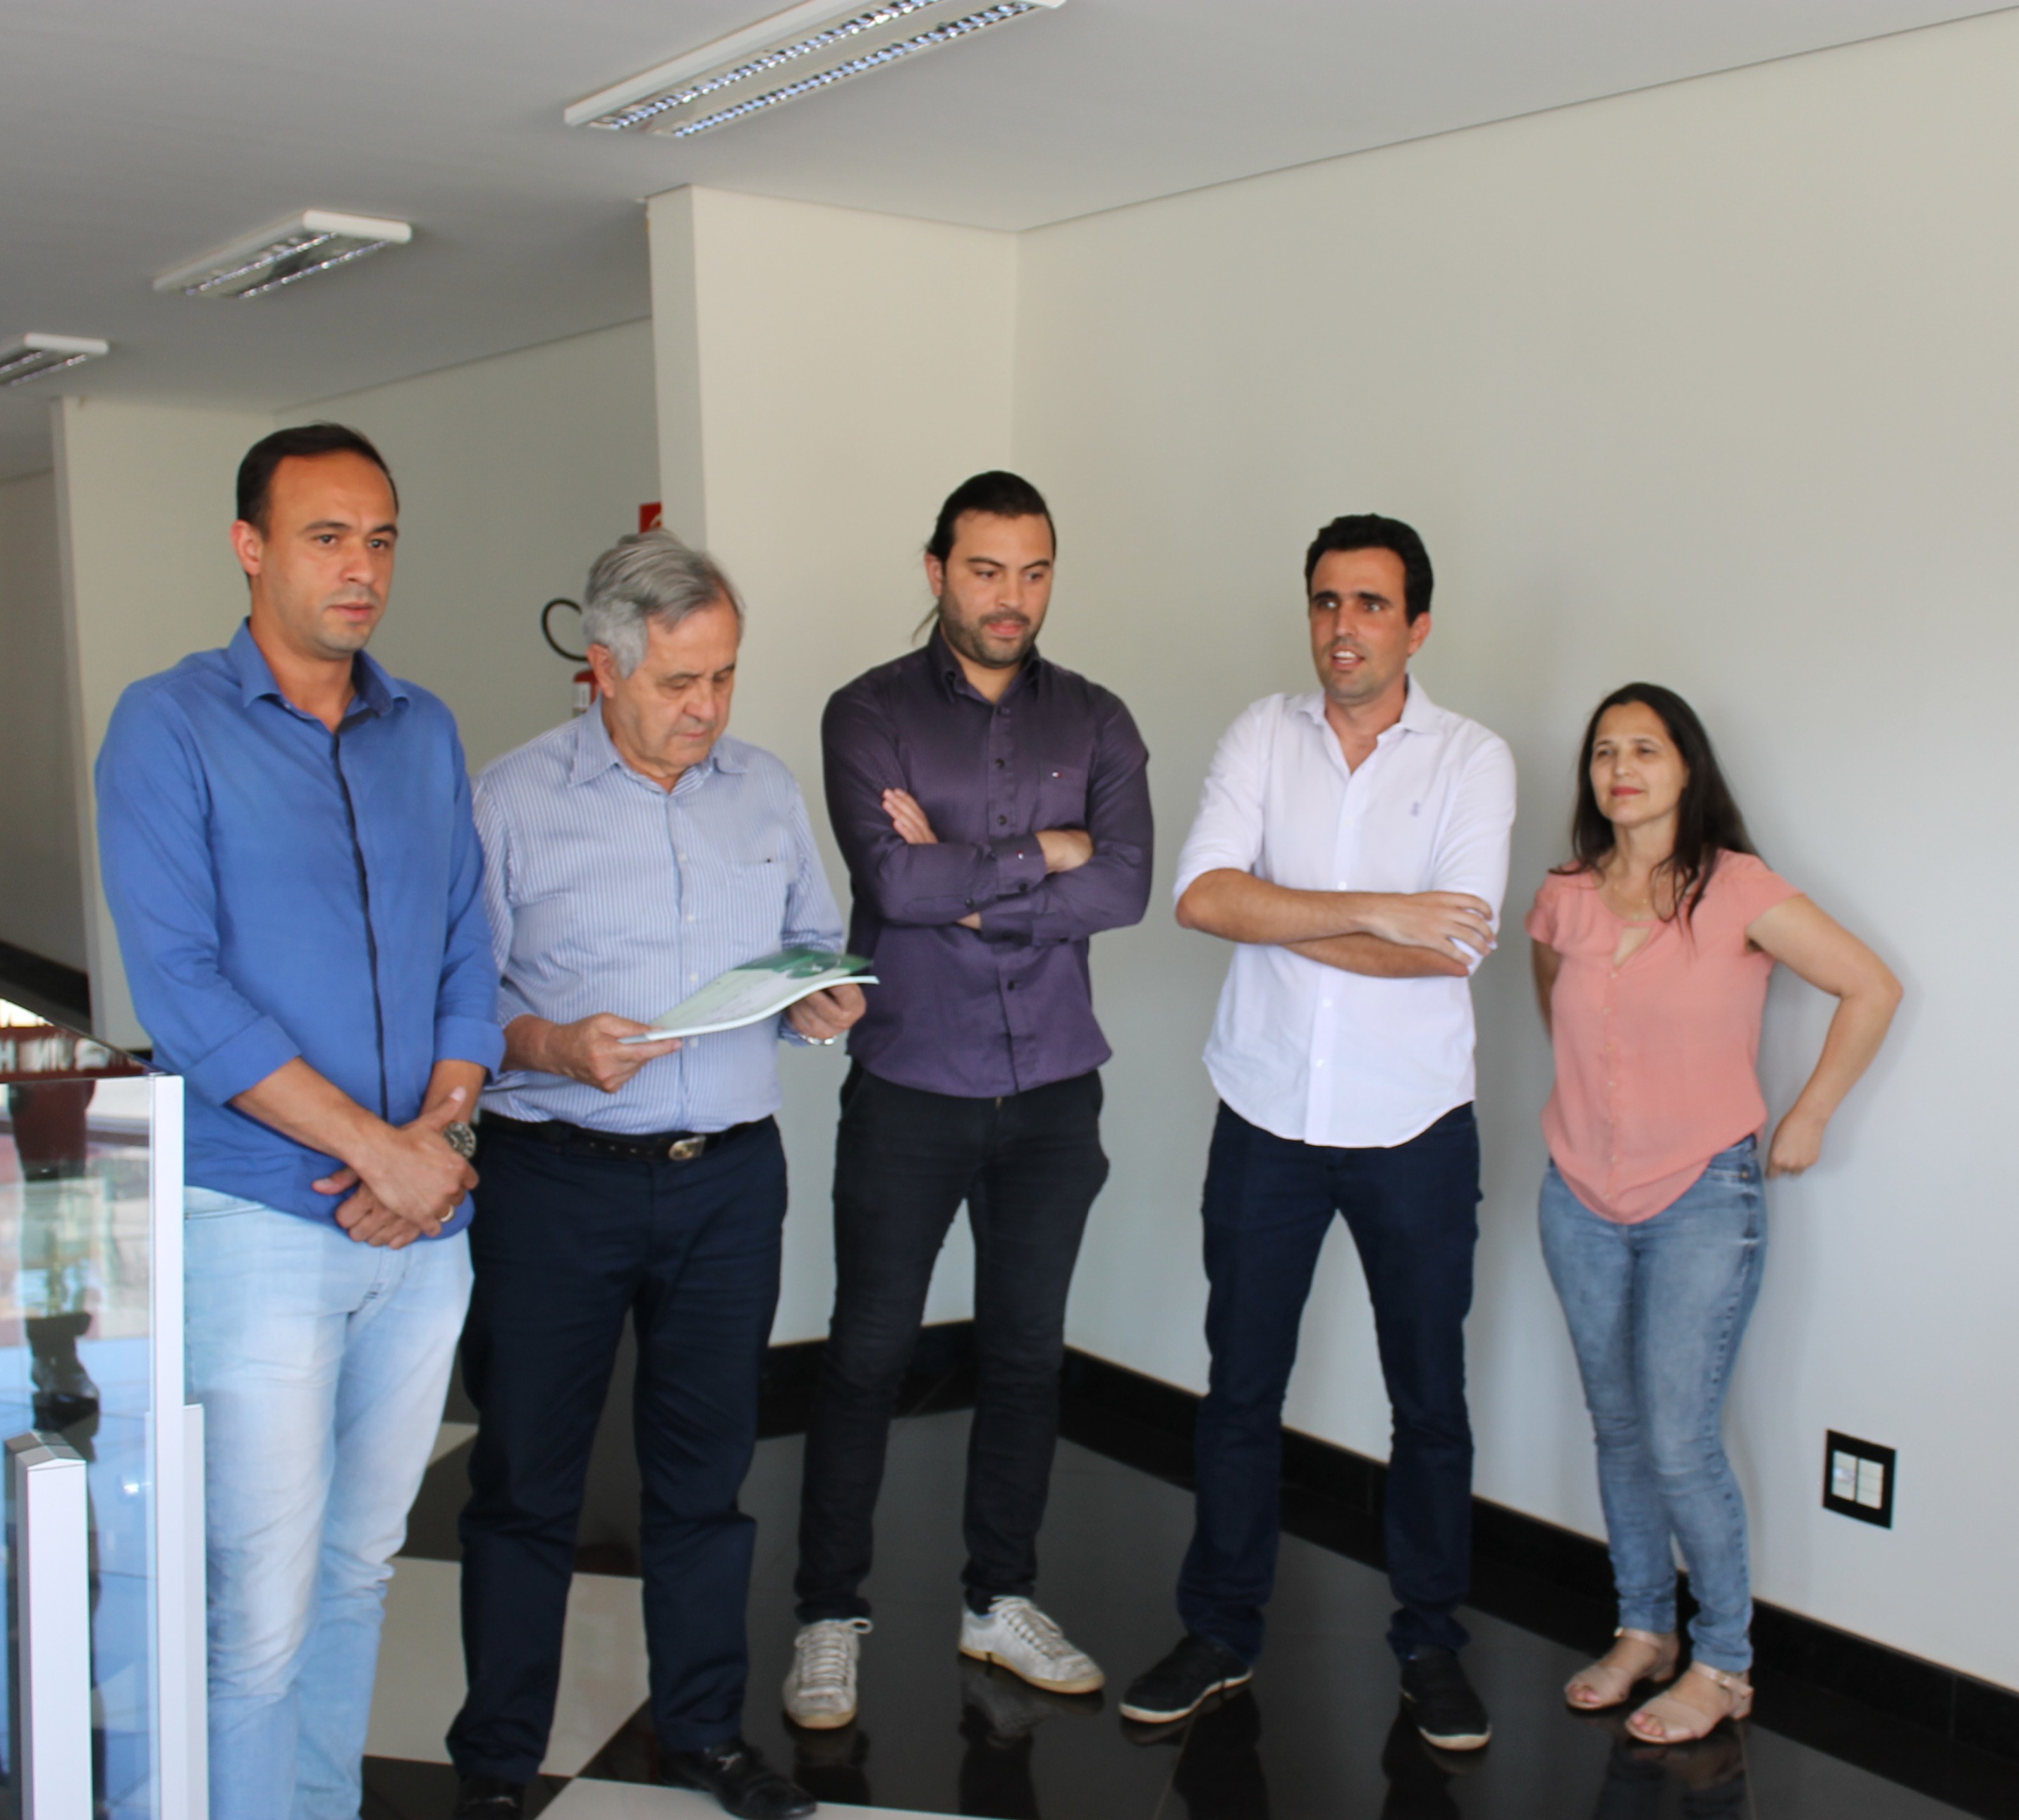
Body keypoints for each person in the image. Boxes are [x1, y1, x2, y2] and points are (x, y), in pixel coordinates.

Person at [95, 423, 501, 1820]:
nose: (361, 567)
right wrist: (380, 1150)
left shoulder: (423, 727)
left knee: (356, 1571)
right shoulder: (168, 723)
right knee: (256, 1608)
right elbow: (182, 993)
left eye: (380, 539)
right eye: (327, 537)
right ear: (250, 547)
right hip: (255, 1218)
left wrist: (438, 1137)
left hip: (421, 1220)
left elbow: (466, 950)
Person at [446, 532, 853, 1820]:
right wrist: (553, 1045)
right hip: (555, 1178)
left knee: (705, 1476)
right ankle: (498, 1759)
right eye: (681, 681)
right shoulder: (511, 800)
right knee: (526, 1479)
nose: (708, 708)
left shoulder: (764, 790)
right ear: (606, 666)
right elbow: (458, 1001)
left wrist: (821, 1001)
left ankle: (704, 1734)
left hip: (729, 1180)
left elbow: (814, 939)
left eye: (724, 677)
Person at [1120, 513, 1513, 1752]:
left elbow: (1451, 948)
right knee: (1240, 1389)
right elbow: (1202, 897)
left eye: (1371, 604)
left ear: (1418, 626)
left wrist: (1290, 917)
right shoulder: (1261, 733)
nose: (1344, 626)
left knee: (1429, 1398)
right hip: (1267, 1114)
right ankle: (1219, 1631)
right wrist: (1383, 910)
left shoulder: (1473, 758)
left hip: (1414, 1127)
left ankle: (1431, 1641)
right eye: (1327, 601)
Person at [791, 471, 1151, 1730]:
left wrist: (966, 880)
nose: (1012, 597)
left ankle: (1000, 1598)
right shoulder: (868, 712)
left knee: (1026, 1352)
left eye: (1034, 571)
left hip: (1054, 1087)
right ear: (937, 568)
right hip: (912, 1079)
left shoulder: (1097, 717)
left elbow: (1125, 886)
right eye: (987, 569)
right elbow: (894, 885)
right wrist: (1045, 851)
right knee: (867, 1352)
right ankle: (827, 1613)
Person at [1532, 683, 1900, 1742]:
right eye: (1605, 750)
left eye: (1645, 748)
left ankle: (1725, 1662)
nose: (1621, 768)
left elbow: (1871, 987)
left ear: (1688, 767)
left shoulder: (1737, 888)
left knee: (1680, 1438)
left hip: (1702, 1195)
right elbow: (1553, 998)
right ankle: (1643, 1627)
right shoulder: (1565, 894)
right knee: (1616, 1425)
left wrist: (1809, 1114)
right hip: (1578, 1195)